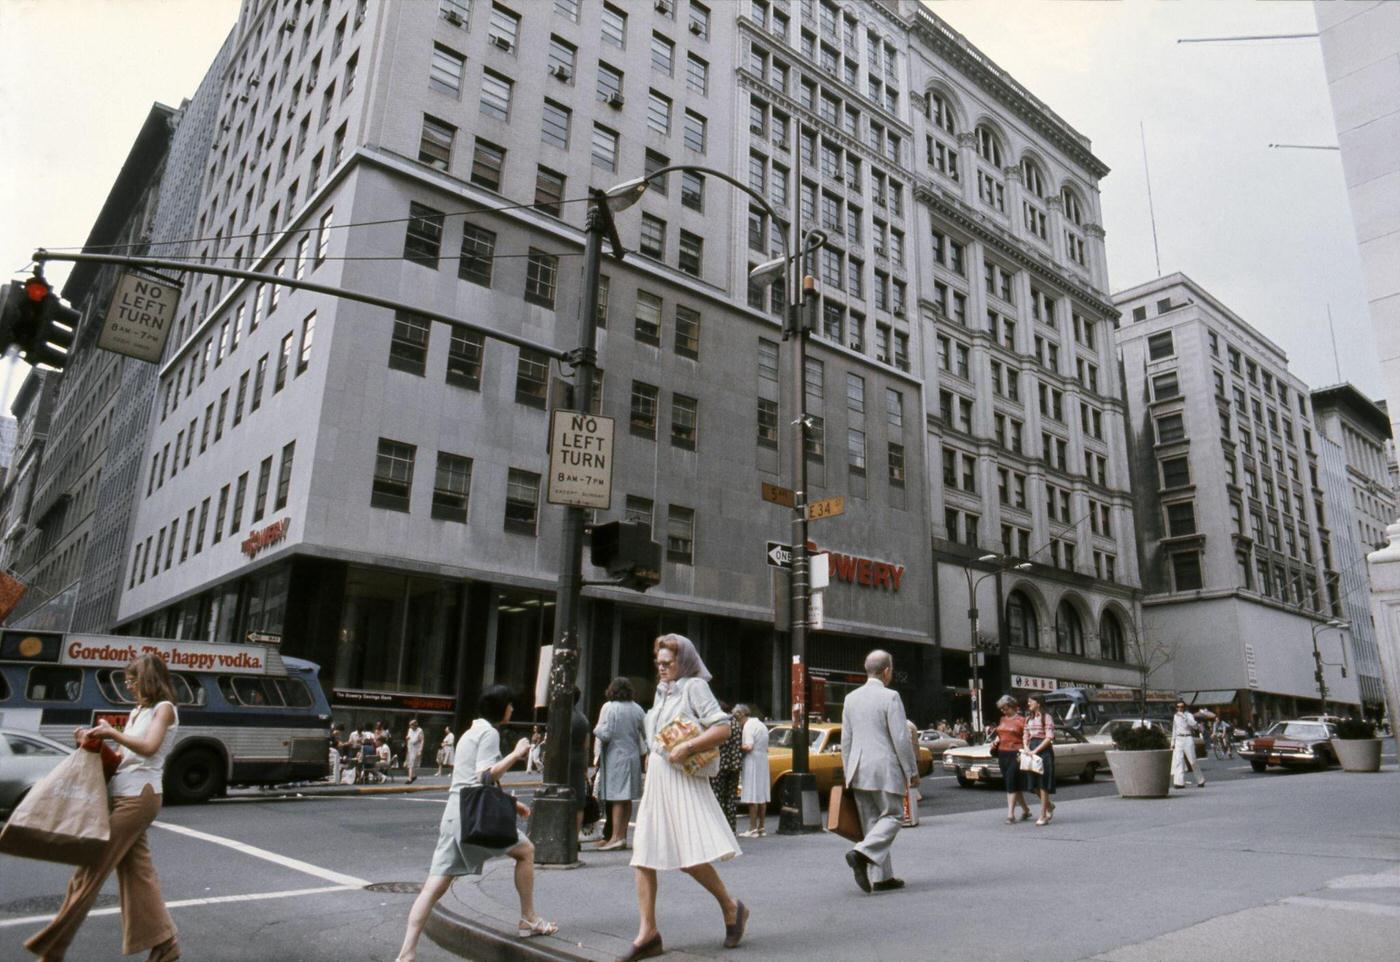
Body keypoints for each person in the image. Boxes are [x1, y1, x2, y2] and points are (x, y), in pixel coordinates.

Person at [26, 653, 181, 962]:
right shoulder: (138, 711)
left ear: (148, 679)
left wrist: (111, 732)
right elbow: (122, 760)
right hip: (126, 794)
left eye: (132, 680)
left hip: (140, 796)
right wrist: (92, 740)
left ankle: (52, 949)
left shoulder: (164, 709)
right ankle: (164, 945)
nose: (128, 686)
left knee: (90, 868)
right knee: (138, 874)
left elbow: (149, 749)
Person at [394, 685, 556, 962]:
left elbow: (471, 780)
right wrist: (517, 753)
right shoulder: (490, 733)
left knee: (434, 886)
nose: (513, 709)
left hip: (454, 814)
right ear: (501, 707)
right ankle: (528, 918)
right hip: (472, 818)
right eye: (510, 704)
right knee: (526, 851)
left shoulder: (470, 732)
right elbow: (484, 775)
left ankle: (406, 953)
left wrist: (511, 804)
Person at [620, 634, 747, 961]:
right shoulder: (662, 692)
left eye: (668, 662)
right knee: (643, 854)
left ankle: (731, 906)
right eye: (658, 662)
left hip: (683, 779)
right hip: (660, 778)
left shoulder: (694, 687)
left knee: (690, 858)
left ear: (684, 661)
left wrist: (688, 746)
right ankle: (647, 932)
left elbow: (724, 728)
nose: (661, 668)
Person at [839, 649, 919, 895]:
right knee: (894, 816)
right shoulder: (891, 697)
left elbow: (846, 740)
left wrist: (847, 772)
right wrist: (911, 770)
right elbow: (901, 738)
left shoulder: (850, 698)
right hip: (884, 767)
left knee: (872, 823)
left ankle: (883, 878)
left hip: (858, 769)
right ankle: (861, 854)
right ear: (887, 671)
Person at [594, 677, 647, 851]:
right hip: (632, 756)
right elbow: (646, 731)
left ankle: (615, 837)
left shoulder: (610, 708)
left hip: (616, 756)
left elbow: (606, 733)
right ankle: (622, 835)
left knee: (617, 797)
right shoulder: (637, 709)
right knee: (627, 798)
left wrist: (596, 729)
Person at [990, 695, 1034, 824]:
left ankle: (1010, 814)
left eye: (1005, 708)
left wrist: (1026, 751)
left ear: (1013, 706)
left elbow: (1027, 738)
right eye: (1001, 709)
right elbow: (1000, 734)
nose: (1003, 711)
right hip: (1002, 753)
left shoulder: (1022, 720)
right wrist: (996, 741)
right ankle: (1026, 810)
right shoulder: (1002, 719)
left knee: (1010, 782)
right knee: (1013, 783)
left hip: (1016, 753)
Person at [736, 704, 770, 838]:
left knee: (752, 795)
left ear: (740, 716)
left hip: (752, 761)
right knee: (762, 795)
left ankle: (752, 828)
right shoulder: (761, 725)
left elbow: (748, 746)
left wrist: (736, 746)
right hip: (763, 760)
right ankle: (761, 827)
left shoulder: (748, 727)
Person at [1023, 694, 1056, 825]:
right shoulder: (1028, 719)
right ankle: (1049, 805)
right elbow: (1025, 735)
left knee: (1043, 783)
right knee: (1032, 784)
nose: (1029, 703)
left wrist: (1035, 750)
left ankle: (1043, 815)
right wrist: (1026, 747)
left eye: (1031, 701)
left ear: (1038, 703)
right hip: (1031, 749)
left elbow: (1049, 737)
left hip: (1044, 751)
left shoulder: (1046, 717)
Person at [710, 703, 744, 832]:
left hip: (720, 764)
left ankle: (720, 829)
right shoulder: (735, 723)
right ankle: (731, 828)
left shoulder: (721, 724)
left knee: (717, 796)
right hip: (734, 764)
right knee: (730, 798)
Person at [569, 688, 592, 838]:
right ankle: (574, 838)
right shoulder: (583, 719)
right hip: (578, 760)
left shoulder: (560, 716)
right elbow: (586, 746)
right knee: (578, 801)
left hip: (562, 761)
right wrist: (585, 770)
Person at [1171, 701, 1206, 789]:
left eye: (1182, 707)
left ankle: (1200, 780)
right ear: (1176, 708)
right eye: (1178, 707)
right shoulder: (1175, 716)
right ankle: (1179, 783)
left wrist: (1184, 717)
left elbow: (1194, 725)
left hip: (1188, 738)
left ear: (1184, 707)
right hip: (1179, 739)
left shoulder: (1188, 715)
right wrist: (1172, 742)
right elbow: (1174, 730)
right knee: (1179, 761)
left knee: (1192, 760)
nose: (1180, 708)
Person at [405, 718, 425, 784]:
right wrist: (407, 738)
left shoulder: (420, 730)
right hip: (410, 748)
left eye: (411, 725)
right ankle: (412, 776)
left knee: (412, 763)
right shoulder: (410, 730)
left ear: (415, 725)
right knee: (410, 763)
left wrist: (420, 750)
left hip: (416, 748)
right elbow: (408, 736)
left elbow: (422, 740)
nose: (410, 727)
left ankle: (410, 778)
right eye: (410, 725)